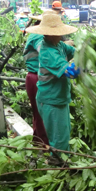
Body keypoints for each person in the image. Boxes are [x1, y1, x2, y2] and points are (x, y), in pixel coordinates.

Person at [26, 13, 79, 152]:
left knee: (63, 136)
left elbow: (74, 51)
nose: (61, 36)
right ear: (49, 34)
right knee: (58, 141)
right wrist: (82, 65)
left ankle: (61, 163)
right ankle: (58, 168)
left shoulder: (59, 45)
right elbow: (70, 72)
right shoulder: (47, 51)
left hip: (59, 98)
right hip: (51, 100)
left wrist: (89, 49)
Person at [23, 14, 49, 145]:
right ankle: (45, 145)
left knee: (38, 113)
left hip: (36, 77)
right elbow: (45, 53)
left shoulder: (40, 35)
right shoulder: (37, 36)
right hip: (36, 78)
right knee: (41, 114)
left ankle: (37, 142)